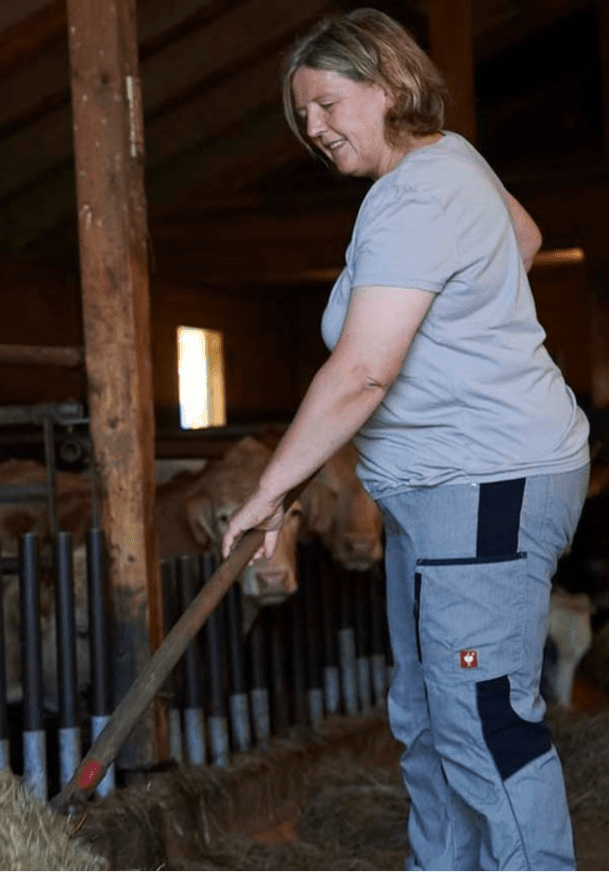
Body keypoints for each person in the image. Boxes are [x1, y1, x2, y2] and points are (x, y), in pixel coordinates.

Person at [220, 8, 590, 871]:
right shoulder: (449, 161)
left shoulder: (417, 195)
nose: (313, 128)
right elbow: (524, 238)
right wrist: (467, 331)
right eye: (300, 115)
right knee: (429, 716)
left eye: (326, 103)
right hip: (437, 489)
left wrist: (269, 492)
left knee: (484, 719)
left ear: (387, 86)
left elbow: (359, 374)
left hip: (486, 482)